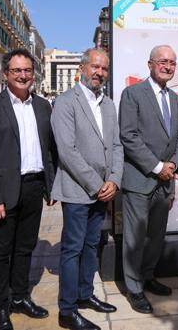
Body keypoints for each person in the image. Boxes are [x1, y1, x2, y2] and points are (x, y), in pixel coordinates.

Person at [0, 49, 57, 330]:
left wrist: (50, 187)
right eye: (17, 71)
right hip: (4, 192)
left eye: (27, 71)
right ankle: (0, 307)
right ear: (5, 74)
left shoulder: (43, 106)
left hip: (34, 187)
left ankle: (20, 297)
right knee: (0, 252)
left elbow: (49, 150)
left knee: (26, 247)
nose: (23, 76)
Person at [52, 48, 123, 330]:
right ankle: (67, 310)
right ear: (82, 68)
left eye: (104, 68)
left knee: (92, 244)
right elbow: (66, 151)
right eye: (95, 67)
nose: (100, 73)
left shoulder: (109, 104)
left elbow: (116, 145)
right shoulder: (66, 102)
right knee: (72, 249)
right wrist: (96, 185)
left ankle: (84, 294)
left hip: (104, 190)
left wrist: (114, 180)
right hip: (78, 190)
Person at [119, 45, 178, 314]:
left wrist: (173, 164)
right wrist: (157, 166)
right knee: (135, 238)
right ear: (150, 64)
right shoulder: (132, 94)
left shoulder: (177, 100)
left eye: (172, 62)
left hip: (165, 181)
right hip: (140, 180)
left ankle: (147, 276)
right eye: (162, 61)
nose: (167, 66)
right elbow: (129, 136)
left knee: (156, 236)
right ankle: (134, 289)